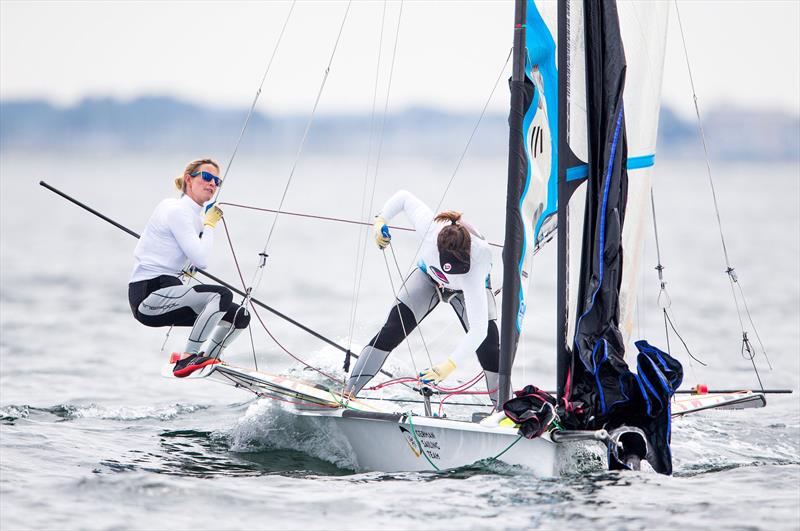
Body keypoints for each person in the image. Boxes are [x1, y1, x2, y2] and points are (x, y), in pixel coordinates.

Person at [345, 190, 500, 408]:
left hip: (466, 290)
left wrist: (448, 365)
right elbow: (404, 198)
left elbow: (478, 330)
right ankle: (348, 393)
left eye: (457, 268)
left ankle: (504, 410)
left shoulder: (478, 260)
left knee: (490, 349)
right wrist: (380, 220)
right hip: (428, 278)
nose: (452, 273)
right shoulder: (430, 229)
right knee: (391, 330)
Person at [127, 158, 250, 377]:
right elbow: (201, 259)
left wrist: (204, 226)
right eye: (206, 177)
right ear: (188, 180)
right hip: (149, 295)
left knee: (240, 316)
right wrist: (210, 225)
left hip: (171, 292)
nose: (212, 183)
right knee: (221, 295)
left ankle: (208, 357)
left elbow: (192, 261)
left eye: (217, 181)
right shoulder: (174, 209)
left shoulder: (195, 219)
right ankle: (188, 357)